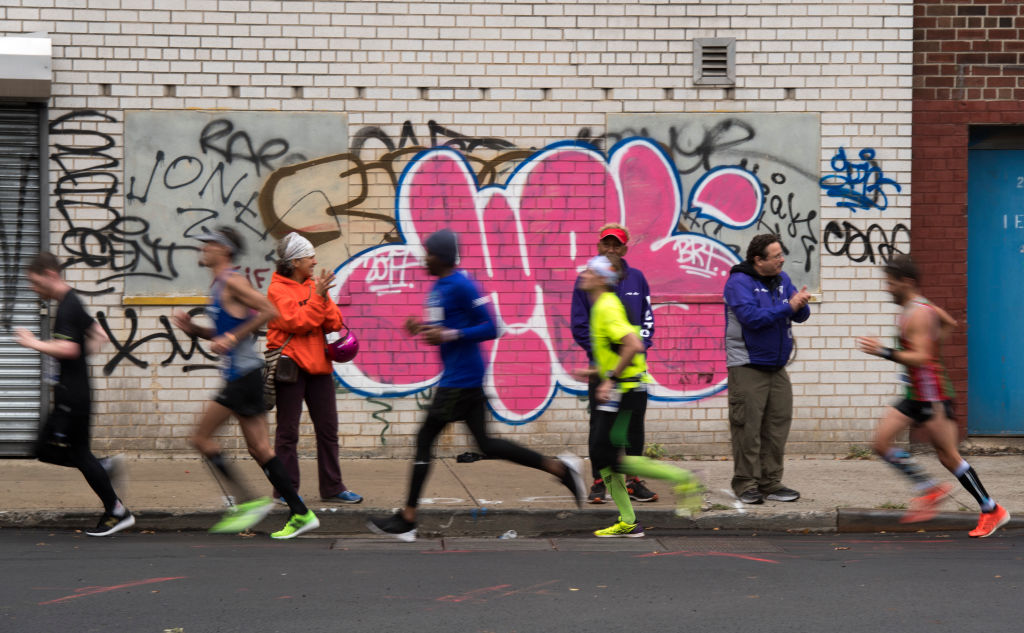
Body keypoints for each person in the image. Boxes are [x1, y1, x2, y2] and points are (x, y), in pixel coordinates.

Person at [368, 228, 585, 542]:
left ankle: (408, 518)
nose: (424, 258)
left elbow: (492, 326)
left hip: (460, 379)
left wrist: (448, 334)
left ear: (441, 257)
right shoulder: (441, 286)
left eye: (429, 253)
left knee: (425, 438)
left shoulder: (462, 284)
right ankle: (561, 469)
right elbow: (448, 327)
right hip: (462, 377)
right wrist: (425, 328)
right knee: (486, 444)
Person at [172, 226, 318, 539]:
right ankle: (300, 513)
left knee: (200, 437)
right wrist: (194, 330)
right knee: (260, 449)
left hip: (242, 376)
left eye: (209, 244)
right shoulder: (219, 284)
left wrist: (231, 338)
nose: (203, 248)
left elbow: (268, 310)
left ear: (224, 250)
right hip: (244, 374)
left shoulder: (232, 281)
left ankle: (246, 502)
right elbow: (225, 330)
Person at [856, 255, 1010, 538]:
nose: (887, 288)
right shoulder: (918, 308)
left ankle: (991, 509)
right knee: (880, 443)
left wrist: (883, 351)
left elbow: (922, 357)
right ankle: (928, 489)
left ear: (907, 282)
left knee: (949, 457)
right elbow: (949, 323)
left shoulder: (918, 313)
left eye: (891, 283)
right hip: (914, 393)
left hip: (933, 397)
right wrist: (934, 337)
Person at [572, 254, 703, 537]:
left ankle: (684, 478)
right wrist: (594, 371)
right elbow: (615, 349)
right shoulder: (603, 305)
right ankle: (629, 522)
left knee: (606, 455)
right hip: (624, 387)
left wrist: (609, 380)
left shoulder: (606, 307)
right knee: (604, 456)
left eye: (589, 271)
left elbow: (634, 344)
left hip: (626, 390)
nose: (584, 274)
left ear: (600, 279)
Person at [15, 252, 134, 537]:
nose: (33, 288)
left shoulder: (68, 307)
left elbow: (69, 349)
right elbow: (99, 335)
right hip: (75, 391)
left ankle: (116, 509)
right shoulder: (72, 301)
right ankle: (105, 474)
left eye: (35, 282)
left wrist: (34, 343)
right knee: (61, 451)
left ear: (50, 275)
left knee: (53, 451)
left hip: (72, 397)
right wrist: (78, 363)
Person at [267, 233, 362, 504]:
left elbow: (334, 322)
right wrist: (318, 299)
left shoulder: (314, 286)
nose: (315, 261)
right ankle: (285, 490)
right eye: (310, 257)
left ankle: (333, 487)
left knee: (328, 430)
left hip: (319, 366)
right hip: (291, 367)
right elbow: (297, 323)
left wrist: (321, 297)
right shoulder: (277, 290)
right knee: (288, 432)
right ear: (294, 261)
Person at [570, 223, 657, 504]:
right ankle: (600, 481)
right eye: (605, 243)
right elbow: (580, 326)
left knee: (633, 428)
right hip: (604, 370)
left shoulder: (637, 278)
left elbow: (647, 320)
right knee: (600, 428)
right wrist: (602, 356)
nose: (610, 249)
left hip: (631, 372)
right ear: (598, 246)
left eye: (616, 244)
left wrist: (637, 349)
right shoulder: (588, 280)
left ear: (624, 249)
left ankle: (632, 481)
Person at [723, 234, 810, 504]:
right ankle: (745, 484)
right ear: (758, 260)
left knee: (776, 427)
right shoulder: (739, 282)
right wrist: (788, 306)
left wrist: (800, 304)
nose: (782, 259)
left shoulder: (782, 280)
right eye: (776, 256)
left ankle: (770, 482)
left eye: (781, 254)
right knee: (748, 429)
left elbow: (800, 315)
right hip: (748, 366)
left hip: (776, 367)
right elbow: (751, 318)